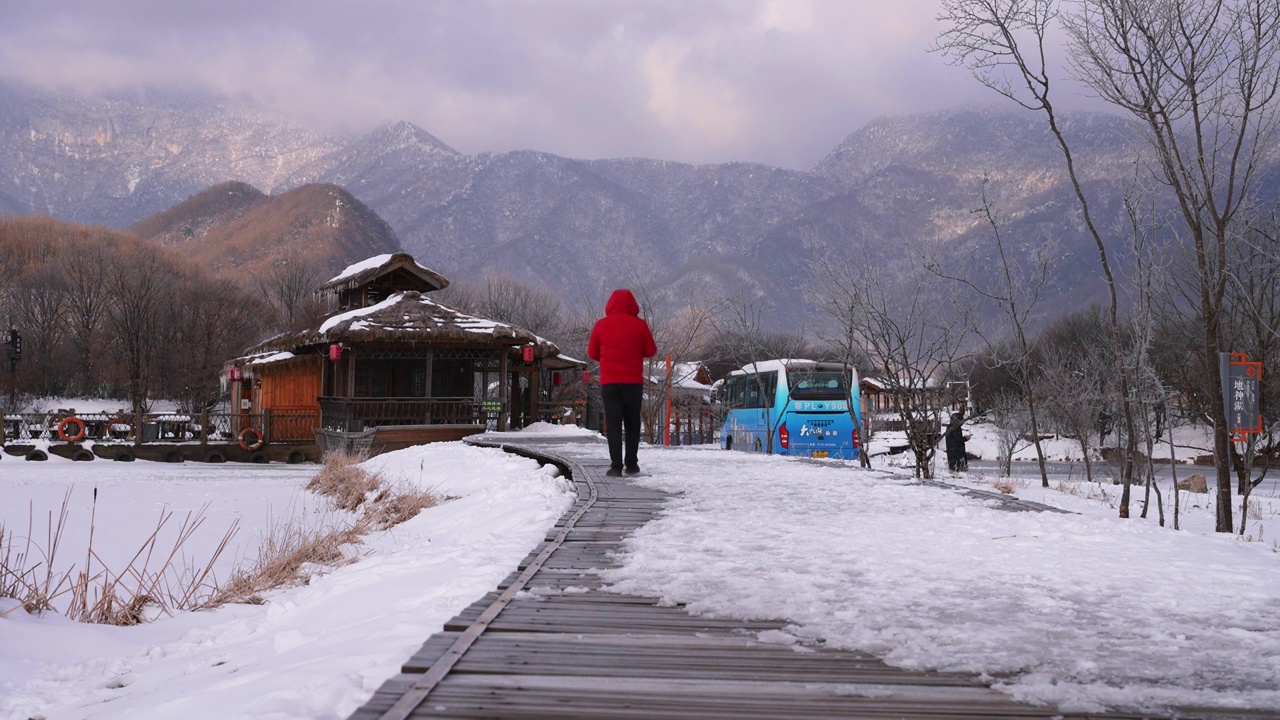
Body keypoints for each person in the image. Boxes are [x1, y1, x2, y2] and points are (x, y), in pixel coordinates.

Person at [588, 289, 657, 477]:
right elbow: (651, 350)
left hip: (609, 382)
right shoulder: (639, 325)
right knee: (632, 423)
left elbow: (593, 353)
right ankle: (632, 464)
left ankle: (616, 466)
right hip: (633, 382)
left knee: (614, 424)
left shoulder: (601, 325)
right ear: (633, 305)